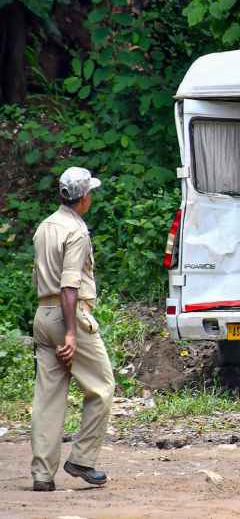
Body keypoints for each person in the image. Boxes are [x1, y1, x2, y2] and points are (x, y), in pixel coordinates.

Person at [30, 166, 114, 492]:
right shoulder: (76, 232)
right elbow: (69, 286)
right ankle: (82, 459)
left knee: (48, 398)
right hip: (69, 316)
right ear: (84, 198)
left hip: (42, 314)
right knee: (102, 387)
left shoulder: (44, 227)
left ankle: (42, 475)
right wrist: (70, 333)